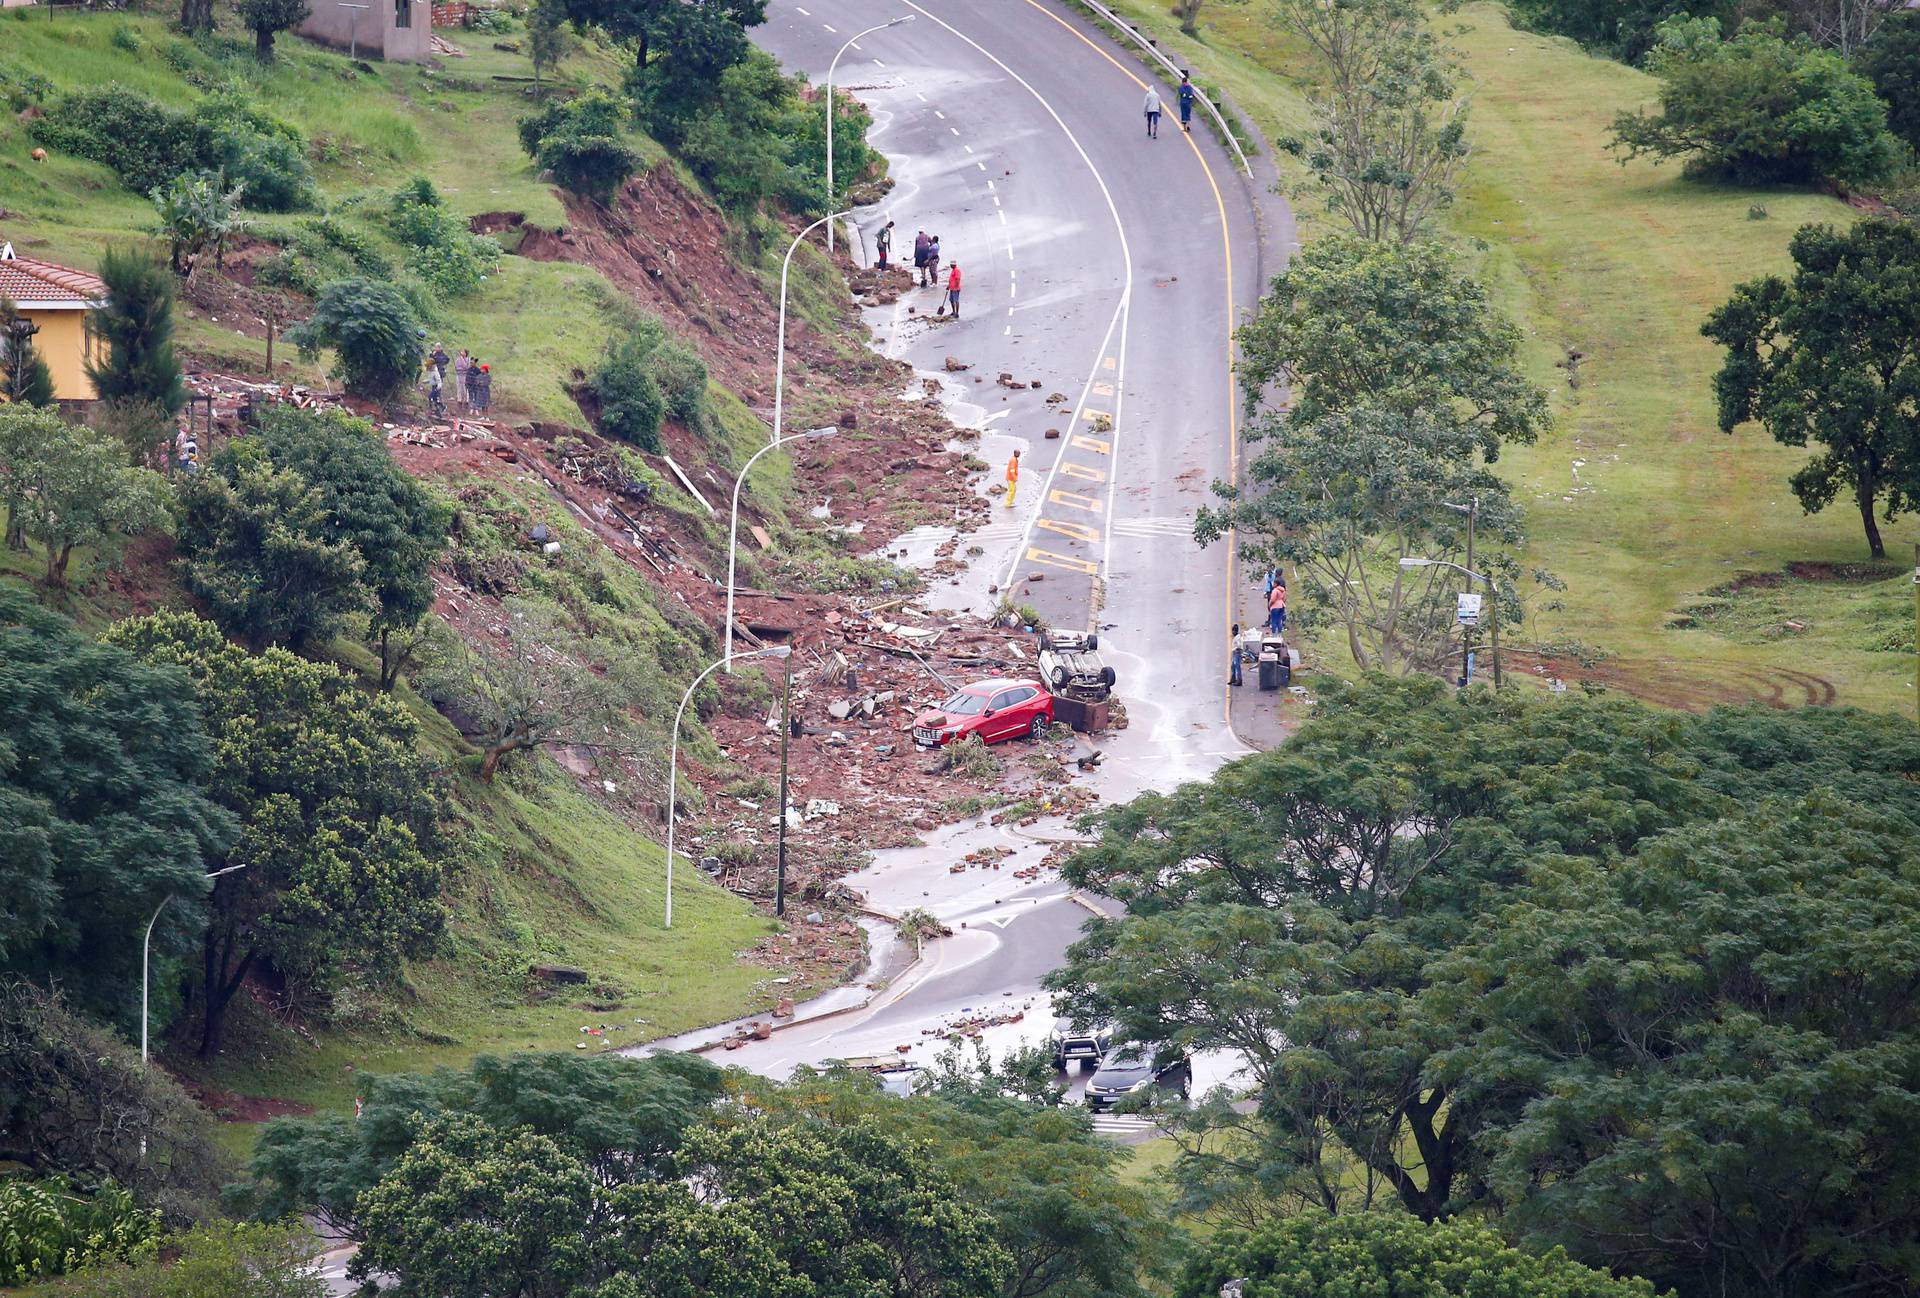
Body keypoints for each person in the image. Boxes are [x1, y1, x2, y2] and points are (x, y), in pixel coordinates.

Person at [1229, 622, 1244, 686]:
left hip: (1237, 653)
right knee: (1233, 666)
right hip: (1235, 653)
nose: (1232, 632)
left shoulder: (1237, 638)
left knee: (1237, 667)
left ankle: (1239, 681)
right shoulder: (1236, 637)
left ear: (1235, 631)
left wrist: (1237, 650)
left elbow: (1239, 645)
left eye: (1233, 631)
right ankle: (1233, 679)